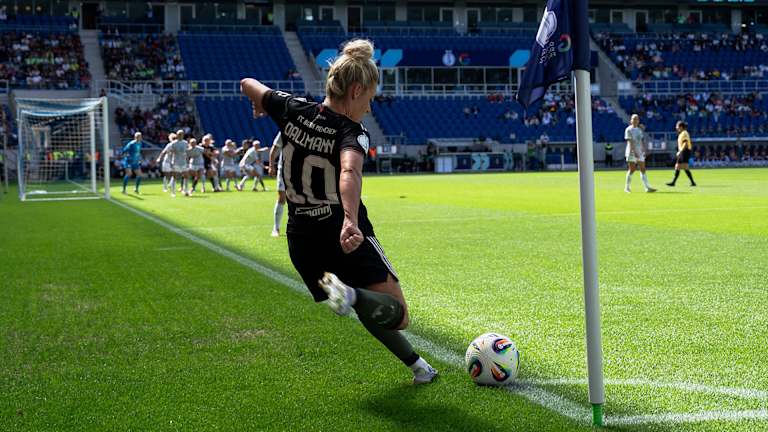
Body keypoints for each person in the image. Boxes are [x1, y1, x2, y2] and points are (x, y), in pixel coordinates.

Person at [240, 38, 437, 384]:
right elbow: (349, 171)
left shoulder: (292, 108)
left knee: (364, 302)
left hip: (302, 239)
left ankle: (418, 367)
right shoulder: (351, 131)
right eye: (369, 99)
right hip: (339, 230)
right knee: (397, 313)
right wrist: (349, 219)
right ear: (356, 90)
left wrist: (259, 103)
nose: (369, 108)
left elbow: (247, 83)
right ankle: (352, 294)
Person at [623, 114, 656, 193]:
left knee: (643, 169)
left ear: (638, 121)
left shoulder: (639, 130)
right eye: (634, 119)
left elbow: (641, 141)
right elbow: (630, 142)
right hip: (631, 152)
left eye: (637, 119)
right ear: (631, 120)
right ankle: (627, 188)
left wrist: (643, 150)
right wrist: (634, 152)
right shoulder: (628, 130)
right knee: (632, 169)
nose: (635, 120)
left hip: (639, 151)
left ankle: (647, 187)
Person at [666, 121, 697, 187]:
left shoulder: (684, 133)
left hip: (685, 151)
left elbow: (685, 143)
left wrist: (680, 151)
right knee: (677, 166)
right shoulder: (682, 133)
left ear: (681, 127)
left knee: (684, 166)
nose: (676, 128)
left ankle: (692, 182)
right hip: (683, 151)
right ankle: (674, 182)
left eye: (677, 126)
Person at [268, 132, 286, 237]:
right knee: (281, 198)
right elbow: (274, 149)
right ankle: (276, 228)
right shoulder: (285, 130)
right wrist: (271, 166)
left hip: (302, 170)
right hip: (284, 169)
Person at [168, 129, 189, 198]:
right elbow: (170, 152)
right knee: (175, 177)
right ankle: (173, 192)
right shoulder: (173, 143)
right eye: (179, 134)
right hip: (175, 162)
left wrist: (187, 161)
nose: (180, 135)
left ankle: (186, 191)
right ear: (177, 135)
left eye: (182, 134)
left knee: (186, 176)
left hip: (183, 162)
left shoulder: (185, 143)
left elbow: (187, 152)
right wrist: (171, 162)